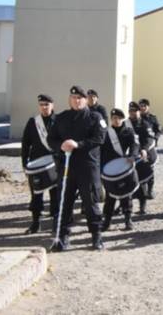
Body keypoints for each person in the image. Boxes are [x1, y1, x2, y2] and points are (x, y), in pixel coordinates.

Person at [47, 85, 107, 251]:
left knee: (91, 203)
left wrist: (78, 144)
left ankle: (96, 236)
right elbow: (51, 139)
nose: (76, 101)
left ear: (85, 100)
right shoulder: (61, 118)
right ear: (70, 99)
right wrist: (61, 145)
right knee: (64, 202)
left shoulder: (95, 117)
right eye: (73, 98)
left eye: (79, 98)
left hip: (87, 167)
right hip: (66, 167)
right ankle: (63, 237)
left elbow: (100, 138)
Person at [21, 94, 58, 234]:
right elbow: (25, 144)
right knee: (36, 195)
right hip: (36, 164)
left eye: (47, 104)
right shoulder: (33, 122)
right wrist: (24, 163)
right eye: (41, 105)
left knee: (56, 195)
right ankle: (35, 223)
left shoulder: (59, 121)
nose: (44, 107)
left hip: (54, 164)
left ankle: (56, 222)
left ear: (52, 105)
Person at [101, 108, 140, 232]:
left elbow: (135, 145)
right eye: (114, 118)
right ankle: (107, 222)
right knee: (110, 195)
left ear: (122, 119)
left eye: (118, 118)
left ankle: (128, 220)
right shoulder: (106, 133)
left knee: (126, 194)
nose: (116, 120)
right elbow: (100, 150)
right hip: (109, 169)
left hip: (123, 166)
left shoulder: (128, 132)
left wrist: (132, 156)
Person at [128, 102, 157, 215]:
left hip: (143, 154)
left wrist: (144, 149)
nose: (133, 113)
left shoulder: (145, 124)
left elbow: (150, 139)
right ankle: (124, 206)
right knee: (127, 182)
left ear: (139, 112)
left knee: (142, 180)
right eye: (131, 111)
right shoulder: (126, 123)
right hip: (131, 155)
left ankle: (142, 207)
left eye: (135, 111)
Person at [138, 98, 162, 199]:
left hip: (150, 146)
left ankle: (150, 190)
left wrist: (155, 139)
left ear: (148, 107)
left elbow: (158, 130)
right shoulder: (136, 118)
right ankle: (142, 190)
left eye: (145, 106)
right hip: (139, 146)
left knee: (150, 168)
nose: (143, 108)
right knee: (140, 168)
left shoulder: (153, 118)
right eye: (141, 106)